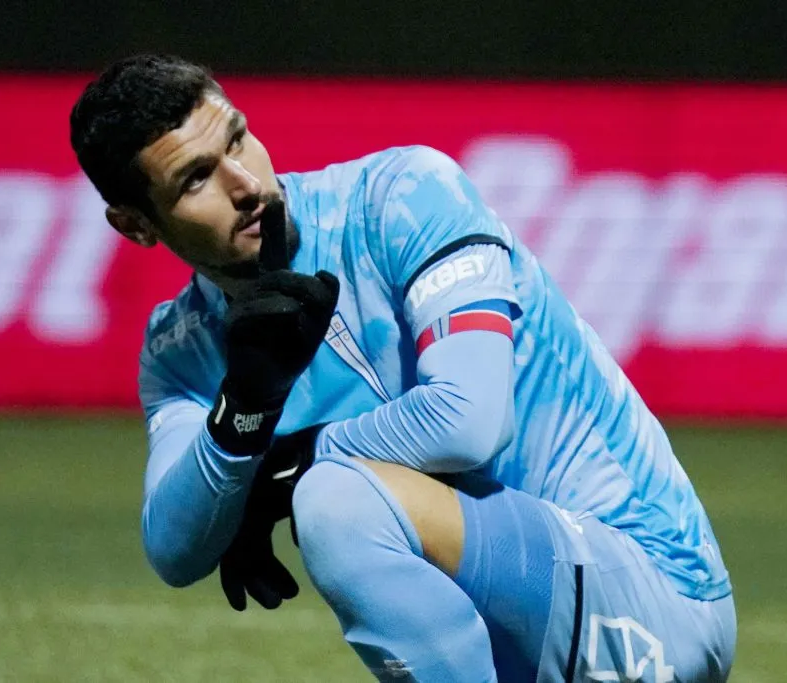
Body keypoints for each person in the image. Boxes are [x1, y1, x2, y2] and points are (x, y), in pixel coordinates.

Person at [69, 53, 736, 682]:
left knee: (334, 500)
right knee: (332, 490)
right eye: (195, 178)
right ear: (135, 225)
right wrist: (241, 413)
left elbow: (469, 420)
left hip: (655, 594)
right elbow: (175, 550)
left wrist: (287, 467)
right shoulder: (180, 346)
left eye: (238, 139)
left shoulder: (403, 196)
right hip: (522, 637)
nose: (244, 184)